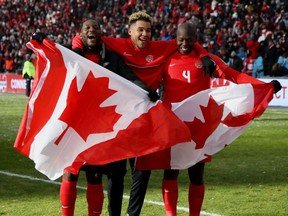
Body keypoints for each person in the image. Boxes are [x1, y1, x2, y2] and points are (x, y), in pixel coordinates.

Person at [33, 18, 157, 216]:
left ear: (101, 33)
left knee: (94, 173)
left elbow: (128, 77)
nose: (92, 30)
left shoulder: (113, 58)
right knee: (70, 171)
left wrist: (146, 90)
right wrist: (42, 41)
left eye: (96, 28)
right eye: (87, 28)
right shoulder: (71, 54)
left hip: (97, 124)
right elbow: (52, 53)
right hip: (73, 120)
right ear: (80, 34)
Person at [160, 22, 282, 216]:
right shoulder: (165, 58)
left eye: (189, 40)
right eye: (181, 39)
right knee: (171, 170)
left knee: (196, 175)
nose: (185, 43)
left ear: (196, 39)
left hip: (199, 125)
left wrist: (263, 85)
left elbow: (234, 76)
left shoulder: (207, 60)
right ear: (175, 38)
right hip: (173, 123)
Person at [99, 11, 214, 216]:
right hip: (121, 117)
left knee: (142, 172)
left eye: (148, 30)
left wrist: (204, 54)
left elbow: (187, 39)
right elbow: (88, 34)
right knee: (116, 173)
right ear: (130, 31)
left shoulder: (161, 47)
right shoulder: (118, 44)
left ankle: (133, 215)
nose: (145, 34)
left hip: (147, 118)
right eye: (140, 30)